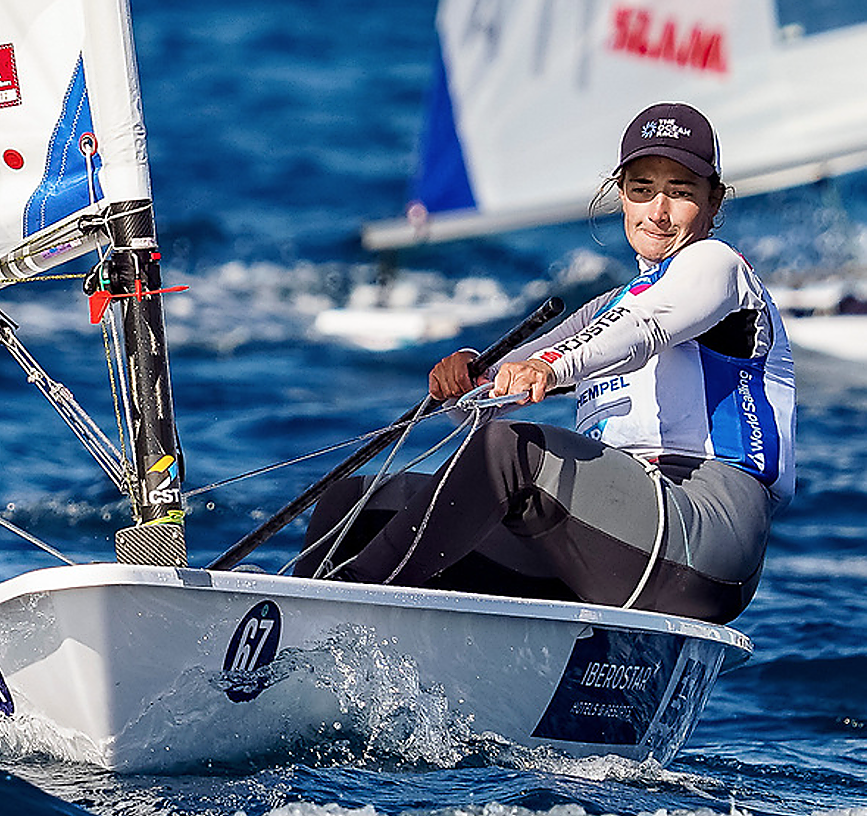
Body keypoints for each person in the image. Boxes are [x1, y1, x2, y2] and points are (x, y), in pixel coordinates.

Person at [301, 102, 795, 624]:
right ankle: (285, 650)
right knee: (355, 504)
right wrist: (470, 379)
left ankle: (330, 615)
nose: (658, 211)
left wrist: (550, 366)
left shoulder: (719, 268)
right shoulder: (607, 306)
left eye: (680, 191)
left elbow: (642, 328)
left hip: (708, 537)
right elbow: (492, 396)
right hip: (615, 536)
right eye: (643, 189)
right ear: (621, 197)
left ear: (714, 202)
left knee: (507, 451)